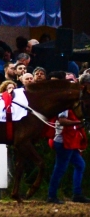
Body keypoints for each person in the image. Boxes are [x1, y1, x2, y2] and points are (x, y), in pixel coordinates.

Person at [48, 76, 90, 204]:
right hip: (63, 140)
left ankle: (76, 193)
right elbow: (61, 120)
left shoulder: (73, 102)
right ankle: (52, 195)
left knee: (79, 165)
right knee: (60, 168)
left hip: (68, 140)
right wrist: (79, 122)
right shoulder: (66, 104)